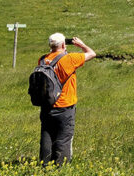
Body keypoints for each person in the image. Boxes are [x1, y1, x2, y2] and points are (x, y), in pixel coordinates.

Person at [38, 33, 95, 166]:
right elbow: (92, 53)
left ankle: (45, 165)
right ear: (64, 45)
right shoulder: (69, 59)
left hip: (47, 105)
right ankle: (61, 167)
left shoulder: (42, 60)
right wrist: (81, 45)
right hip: (65, 106)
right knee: (63, 138)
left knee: (47, 135)